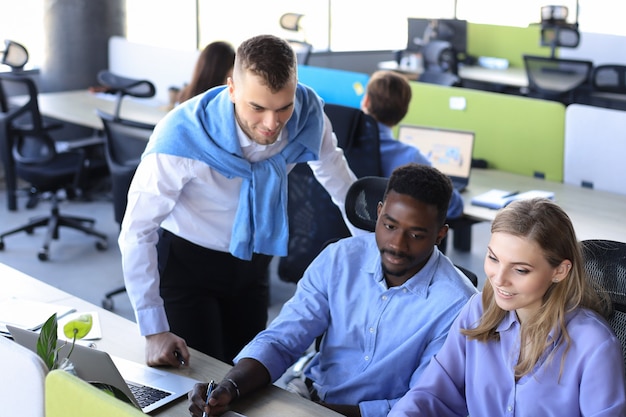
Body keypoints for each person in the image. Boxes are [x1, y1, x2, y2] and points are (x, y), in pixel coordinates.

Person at [118, 34, 361, 366]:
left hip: (253, 263)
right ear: (232, 89)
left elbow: (340, 181)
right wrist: (153, 329)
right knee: (199, 380)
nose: (271, 124)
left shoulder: (307, 116)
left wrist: (376, 245)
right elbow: (137, 230)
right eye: (257, 108)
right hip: (189, 266)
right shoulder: (182, 136)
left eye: (283, 107)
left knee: (247, 374)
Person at [188, 163, 478, 417]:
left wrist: (320, 414)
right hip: (306, 395)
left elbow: (425, 402)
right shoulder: (341, 258)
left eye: (416, 235)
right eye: (389, 226)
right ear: (378, 213)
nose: (397, 245)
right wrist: (230, 386)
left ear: (441, 234)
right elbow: (282, 340)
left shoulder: (457, 305)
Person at [388, 197, 626, 417]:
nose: (499, 278)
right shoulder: (478, 310)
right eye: (493, 258)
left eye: (520, 269)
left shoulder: (594, 345)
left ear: (559, 271)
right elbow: (433, 394)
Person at [360, 70, 463, 219]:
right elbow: (454, 206)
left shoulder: (339, 143)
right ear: (404, 111)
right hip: (388, 239)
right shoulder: (410, 158)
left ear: (366, 101)